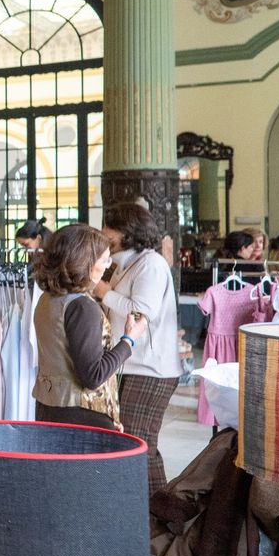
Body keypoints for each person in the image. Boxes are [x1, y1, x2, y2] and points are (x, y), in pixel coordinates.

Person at [97, 203, 180, 494]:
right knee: (129, 440)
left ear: (128, 231)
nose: (104, 233)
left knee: (140, 443)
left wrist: (104, 293)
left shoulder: (151, 264)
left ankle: (159, 511)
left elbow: (141, 312)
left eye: (110, 228)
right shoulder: (127, 264)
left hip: (151, 368)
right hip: (132, 364)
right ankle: (142, 507)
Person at [31, 223, 145, 427]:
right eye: (105, 260)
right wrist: (128, 340)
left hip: (49, 407)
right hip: (81, 415)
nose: (108, 266)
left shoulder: (47, 299)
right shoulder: (82, 307)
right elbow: (93, 376)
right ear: (85, 262)